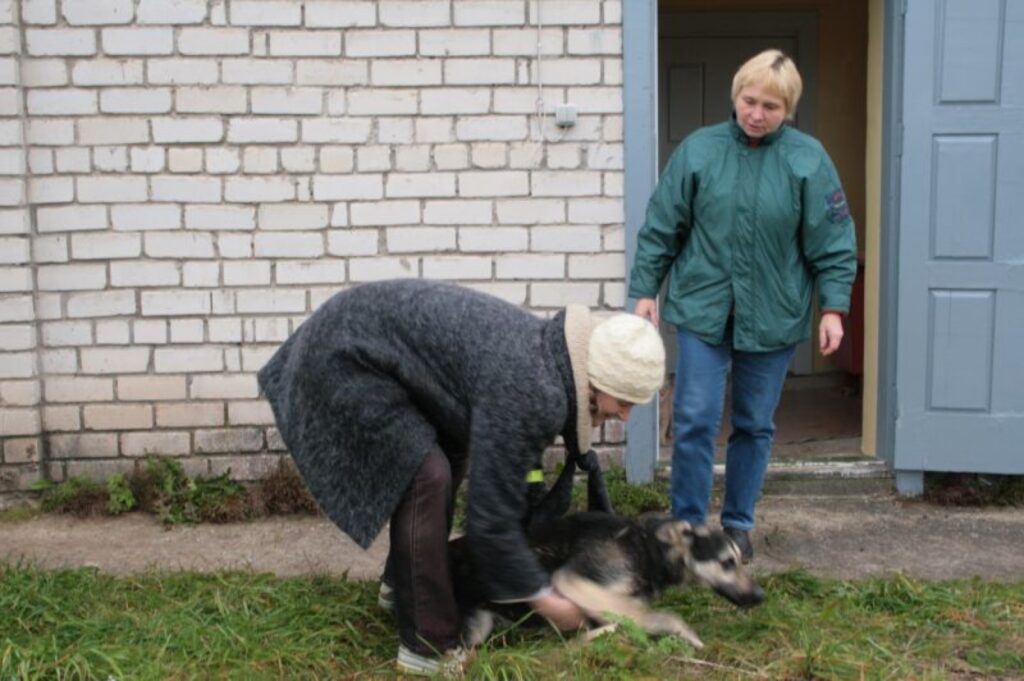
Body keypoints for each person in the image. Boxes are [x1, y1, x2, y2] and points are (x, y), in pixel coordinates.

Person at [257, 279, 665, 675]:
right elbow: (490, 522)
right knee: (426, 476)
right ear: (599, 379)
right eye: (625, 401)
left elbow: (509, 476)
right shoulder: (535, 387)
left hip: (364, 344)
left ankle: (403, 586)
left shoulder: (548, 364)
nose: (626, 416)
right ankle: (427, 647)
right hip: (343, 356)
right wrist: (548, 599)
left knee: (450, 454)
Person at [628, 49, 857, 563]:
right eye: (750, 101)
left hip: (773, 314)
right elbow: (663, 224)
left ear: (789, 109)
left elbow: (834, 240)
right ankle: (686, 525)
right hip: (703, 309)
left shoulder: (808, 159)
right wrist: (645, 290)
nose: (757, 114)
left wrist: (833, 309)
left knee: (754, 423)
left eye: (771, 106)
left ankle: (737, 526)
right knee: (693, 417)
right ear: (735, 97)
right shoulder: (699, 151)